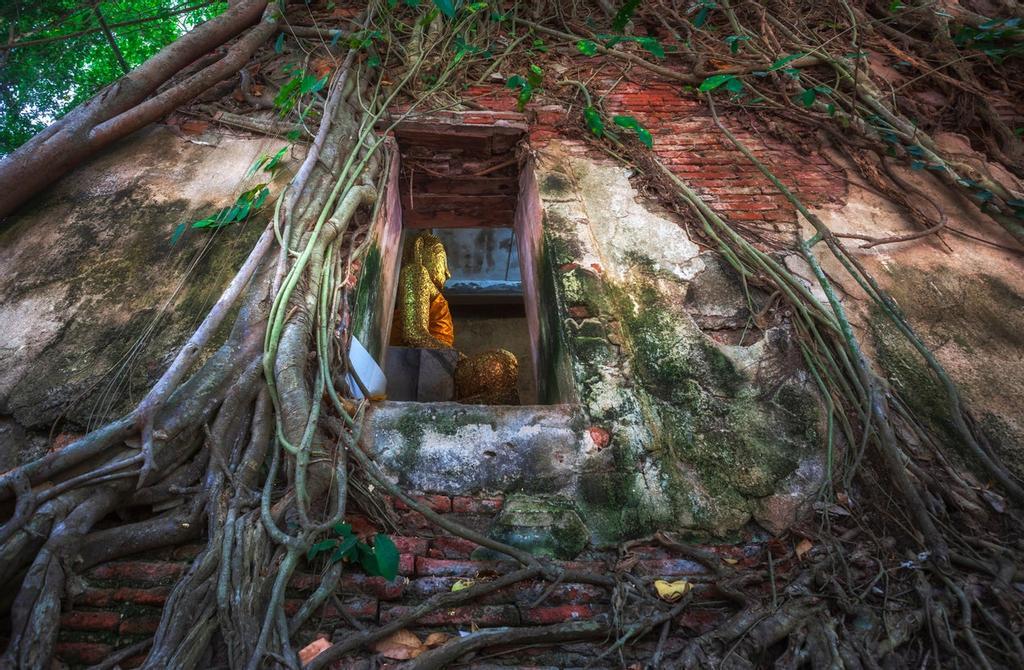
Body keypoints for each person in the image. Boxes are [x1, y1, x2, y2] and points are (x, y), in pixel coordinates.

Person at [391, 232, 519, 405]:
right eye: (443, 262)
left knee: (504, 371)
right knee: (501, 364)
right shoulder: (417, 272)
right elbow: (413, 333)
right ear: (420, 252)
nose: (448, 273)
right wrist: (456, 358)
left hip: (435, 370)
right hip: (421, 365)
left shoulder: (428, 287)